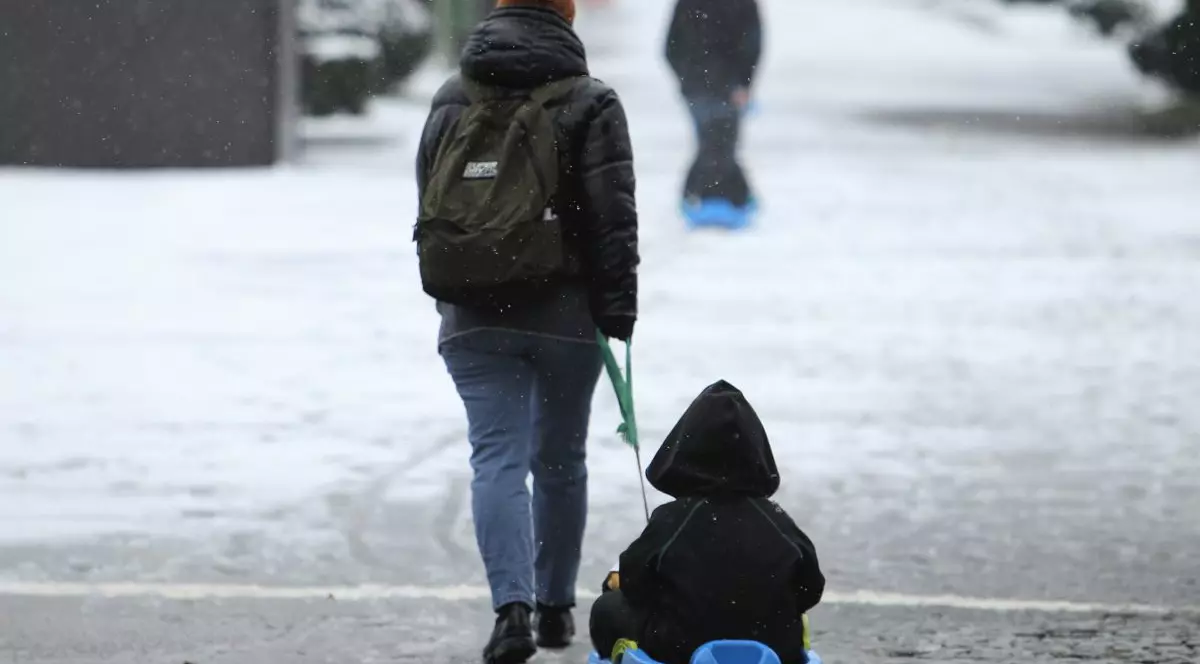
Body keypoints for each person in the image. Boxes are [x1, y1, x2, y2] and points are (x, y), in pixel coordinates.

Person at [414, 0, 638, 662]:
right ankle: (556, 606)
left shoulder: (453, 95)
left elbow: (429, 198)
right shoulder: (591, 100)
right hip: (565, 314)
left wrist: (452, 297)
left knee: (497, 459)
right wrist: (617, 310)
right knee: (561, 460)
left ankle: (510, 609)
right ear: (567, 17)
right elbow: (613, 218)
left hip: (473, 312)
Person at [588, 380, 824, 664]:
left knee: (606, 608)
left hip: (680, 648)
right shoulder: (777, 519)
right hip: (772, 645)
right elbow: (810, 588)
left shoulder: (673, 518)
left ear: (686, 452)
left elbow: (636, 583)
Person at [665, 0, 763, 212]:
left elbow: (671, 47)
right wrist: (743, 83)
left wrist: (686, 78)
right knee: (720, 145)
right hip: (721, 87)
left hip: (706, 86)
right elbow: (752, 44)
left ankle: (702, 197)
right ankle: (729, 199)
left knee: (712, 143)